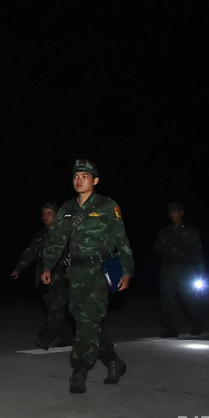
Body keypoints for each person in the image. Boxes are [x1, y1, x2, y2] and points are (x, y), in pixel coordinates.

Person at [40, 159, 134, 394]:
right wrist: (47, 267)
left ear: (95, 181)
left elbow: (121, 240)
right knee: (84, 322)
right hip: (76, 272)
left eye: (84, 176)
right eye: (75, 176)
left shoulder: (107, 205)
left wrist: (127, 270)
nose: (79, 180)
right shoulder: (67, 208)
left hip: (100, 273)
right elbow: (57, 241)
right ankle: (113, 360)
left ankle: (79, 371)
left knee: (87, 324)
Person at [11, 202, 74, 350]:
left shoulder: (65, 233)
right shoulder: (40, 234)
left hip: (63, 278)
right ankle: (67, 337)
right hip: (44, 278)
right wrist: (19, 268)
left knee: (56, 309)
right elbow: (31, 252)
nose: (45, 216)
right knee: (55, 309)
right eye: (43, 213)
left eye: (49, 213)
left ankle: (45, 338)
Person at [154, 201, 205, 338]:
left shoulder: (189, 230)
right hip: (168, 270)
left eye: (175, 211)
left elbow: (196, 252)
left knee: (190, 299)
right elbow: (157, 248)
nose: (173, 214)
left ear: (181, 213)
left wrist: (200, 272)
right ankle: (171, 328)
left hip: (186, 270)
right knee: (166, 300)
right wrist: (163, 246)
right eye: (171, 212)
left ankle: (197, 323)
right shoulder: (164, 231)